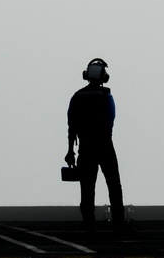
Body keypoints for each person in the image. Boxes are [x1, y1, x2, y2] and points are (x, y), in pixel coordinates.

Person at [65, 58, 129, 233]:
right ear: (104, 77)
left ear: (86, 75)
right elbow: (111, 121)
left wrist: (70, 150)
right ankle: (119, 223)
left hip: (85, 147)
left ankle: (88, 224)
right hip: (105, 145)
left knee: (87, 188)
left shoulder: (77, 97)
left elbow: (71, 125)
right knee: (114, 185)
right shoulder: (106, 96)